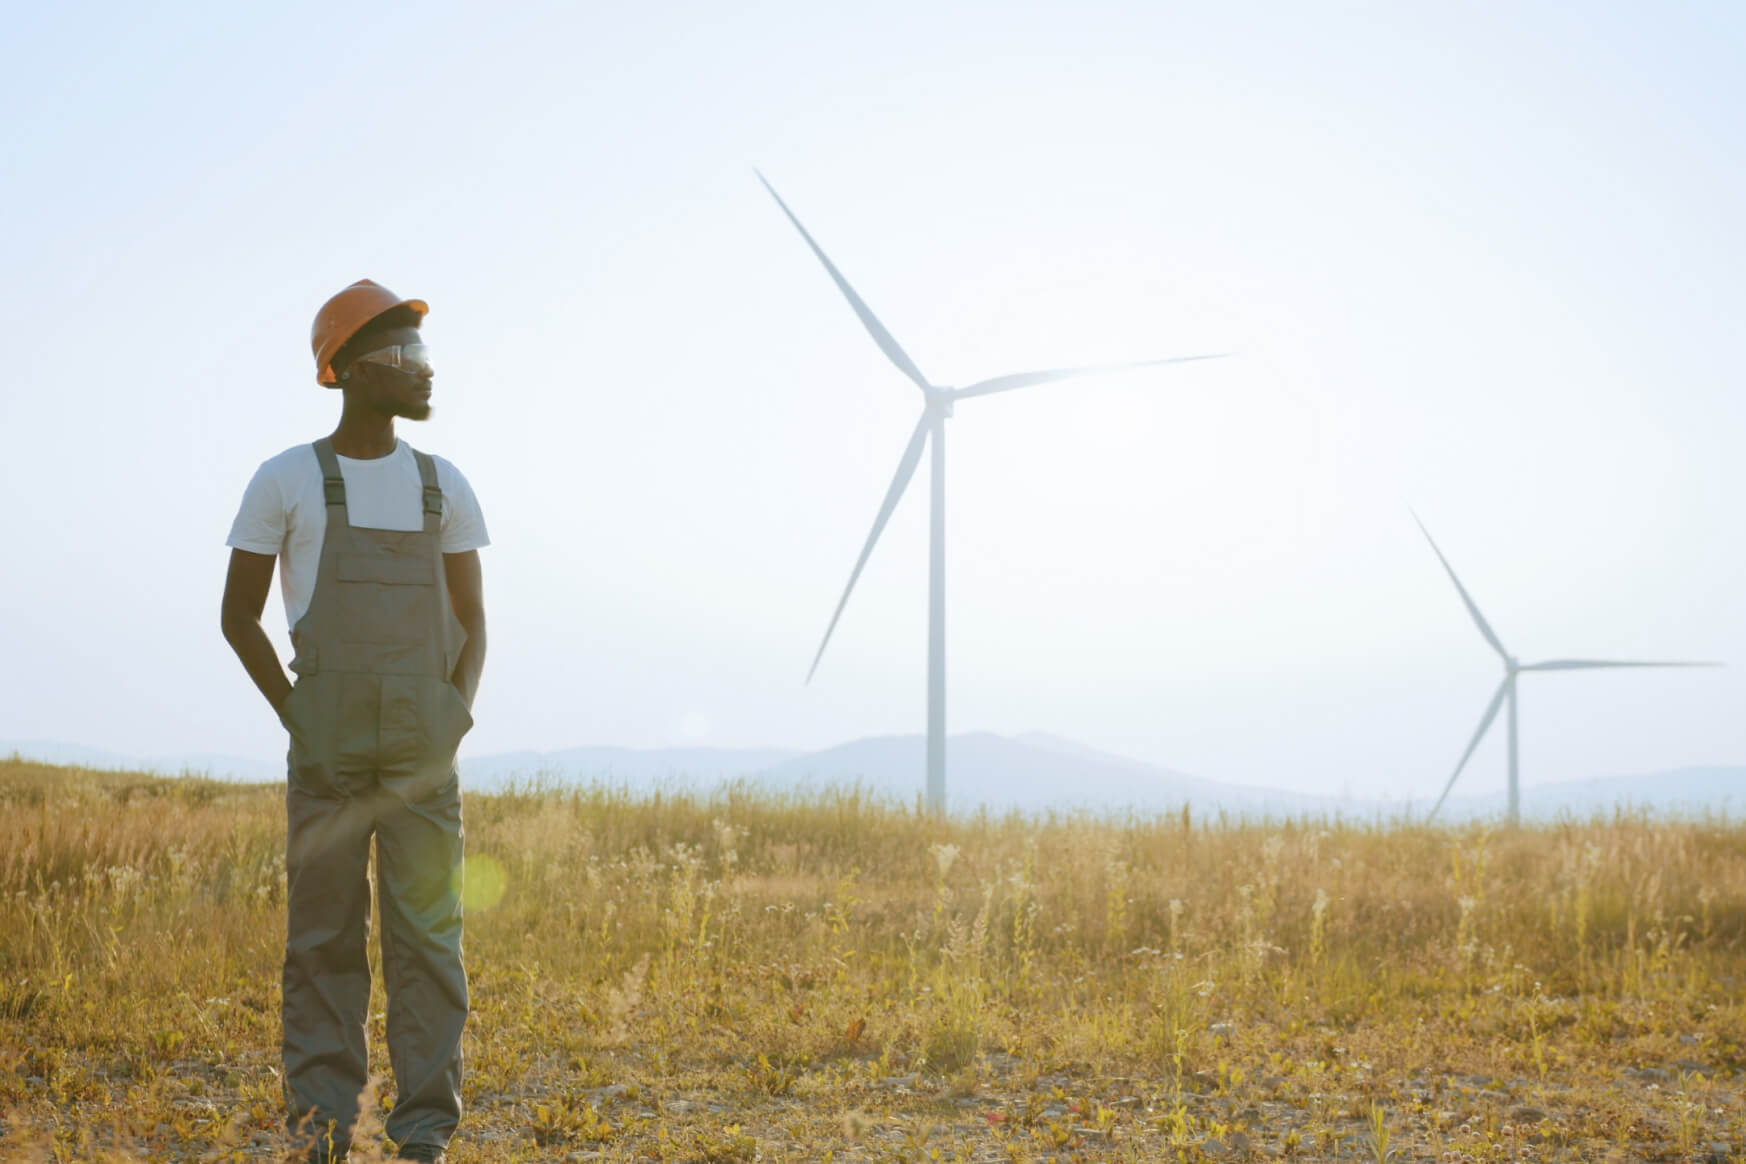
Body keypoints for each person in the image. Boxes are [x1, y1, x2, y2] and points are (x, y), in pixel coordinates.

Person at [220, 279, 489, 1163]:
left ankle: (422, 1136)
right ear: (346, 371)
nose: (425, 371)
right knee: (324, 941)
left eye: (423, 356)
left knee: (428, 945)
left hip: (423, 754)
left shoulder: (443, 486)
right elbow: (239, 616)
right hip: (328, 750)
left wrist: (454, 715)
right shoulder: (286, 479)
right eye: (405, 358)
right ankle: (323, 1131)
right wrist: (300, 715)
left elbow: (474, 621)